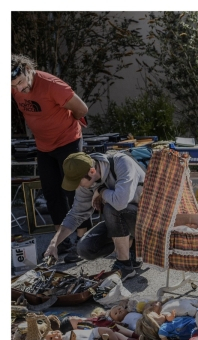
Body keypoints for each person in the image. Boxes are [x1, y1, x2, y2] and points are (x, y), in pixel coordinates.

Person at [11, 54, 91, 262]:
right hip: (44, 146)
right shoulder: (14, 85)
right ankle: (62, 243)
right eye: (14, 86)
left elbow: (82, 109)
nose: (18, 89)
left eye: (20, 82)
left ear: (27, 69)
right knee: (53, 194)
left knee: (75, 192)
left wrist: (62, 125)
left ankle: (83, 243)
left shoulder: (52, 85)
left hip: (68, 141)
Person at [43, 151, 146, 280]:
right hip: (124, 221)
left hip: (146, 222)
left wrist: (101, 191)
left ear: (92, 171)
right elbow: (75, 215)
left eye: (78, 182)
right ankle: (133, 248)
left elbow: (120, 203)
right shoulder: (87, 180)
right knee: (84, 249)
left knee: (111, 207)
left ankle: (124, 265)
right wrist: (54, 243)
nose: (78, 186)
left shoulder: (122, 162)